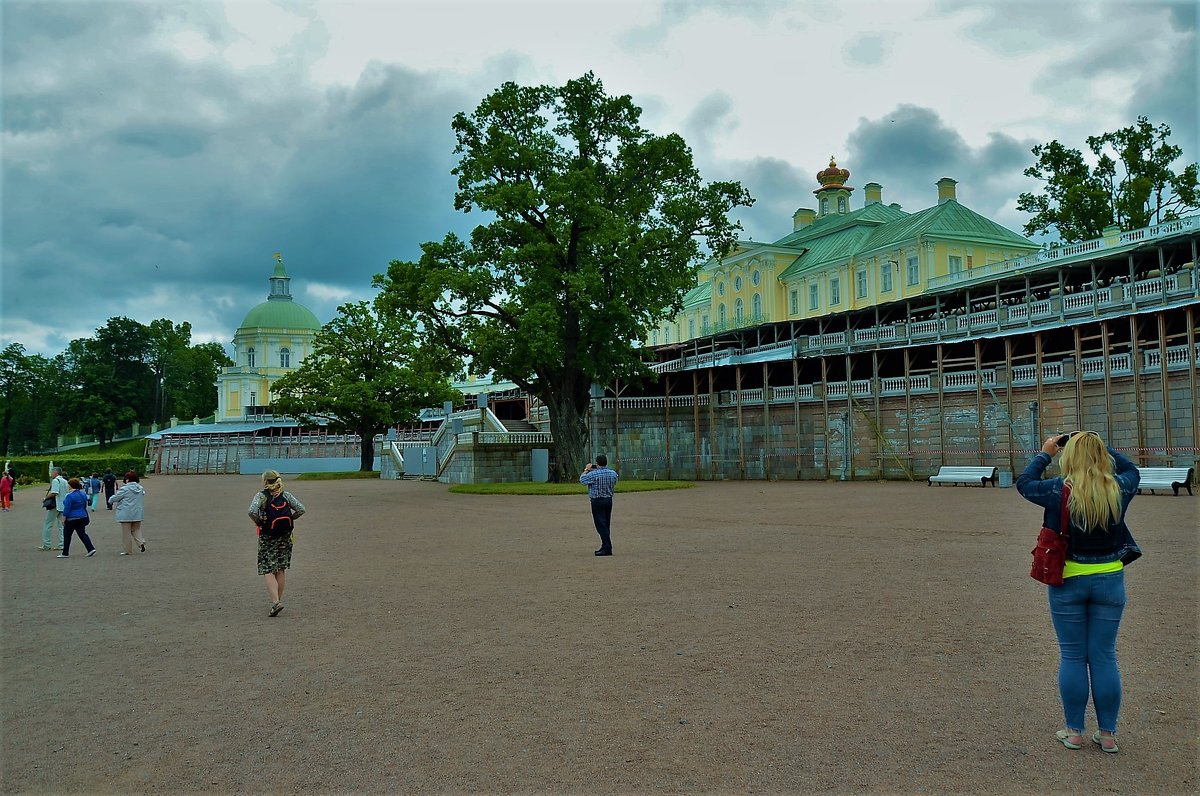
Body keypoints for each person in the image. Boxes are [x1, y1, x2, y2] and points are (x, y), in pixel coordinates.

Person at [1017, 431, 1141, 755]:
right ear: (1102, 456)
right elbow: (1132, 470)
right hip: (1110, 578)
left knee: (1073, 655)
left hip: (1069, 578)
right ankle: (1108, 734)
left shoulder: (1059, 489)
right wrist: (1099, 444)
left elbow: (1025, 483)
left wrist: (1045, 453)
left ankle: (1074, 731)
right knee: (1103, 656)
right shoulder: (1119, 487)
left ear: (1068, 456)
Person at [248, 470, 305, 617]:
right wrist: (290, 519)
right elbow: (301, 509)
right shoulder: (286, 495)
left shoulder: (261, 496)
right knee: (280, 568)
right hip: (285, 536)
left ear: (265, 482)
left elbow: (252, 511)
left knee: (267, 568)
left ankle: (276, 602)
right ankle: (277, 601)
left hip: (268, 536)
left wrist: (260, 523)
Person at [580, 454, 619, 556]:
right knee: (606, 524)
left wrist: (586, 469)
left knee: (600, 525)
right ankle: (605, 545)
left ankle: (607, 547)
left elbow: (582, 480)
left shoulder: (594, 474)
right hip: (608, 500)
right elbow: (615, 482)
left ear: (596, 463)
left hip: (597, 501)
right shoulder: (612, 473)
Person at [108, 470, 147, 555]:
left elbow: (116, 497)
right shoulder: (140, 488)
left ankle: (127, 550)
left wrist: (110, 500)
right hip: (137, 512)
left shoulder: (125, 488)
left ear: (127, 479)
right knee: (136, 529)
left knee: (126, 533)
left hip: (126, 513)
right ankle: (141, 542)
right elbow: (142, 494)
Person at [58, 477, 97, 558]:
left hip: (72, 518)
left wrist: (64, 518)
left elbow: (67, 508)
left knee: (67, 535)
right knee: (82, 534)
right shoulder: (82, 494)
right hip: (82, 516)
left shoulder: (69, 496)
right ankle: (90, 548)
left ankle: (65, 553)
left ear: (71, 486)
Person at [40, 467, 69, 551]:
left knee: (48, 524)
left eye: (52, 472)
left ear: (56, 473)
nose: (51, 474)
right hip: (63, 505)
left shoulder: (56, 481)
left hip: (55, 505)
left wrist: (45, 498)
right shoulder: (65, 481)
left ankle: (46, 544)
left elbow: (55, 492)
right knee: (61, 526)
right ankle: (62, 544)